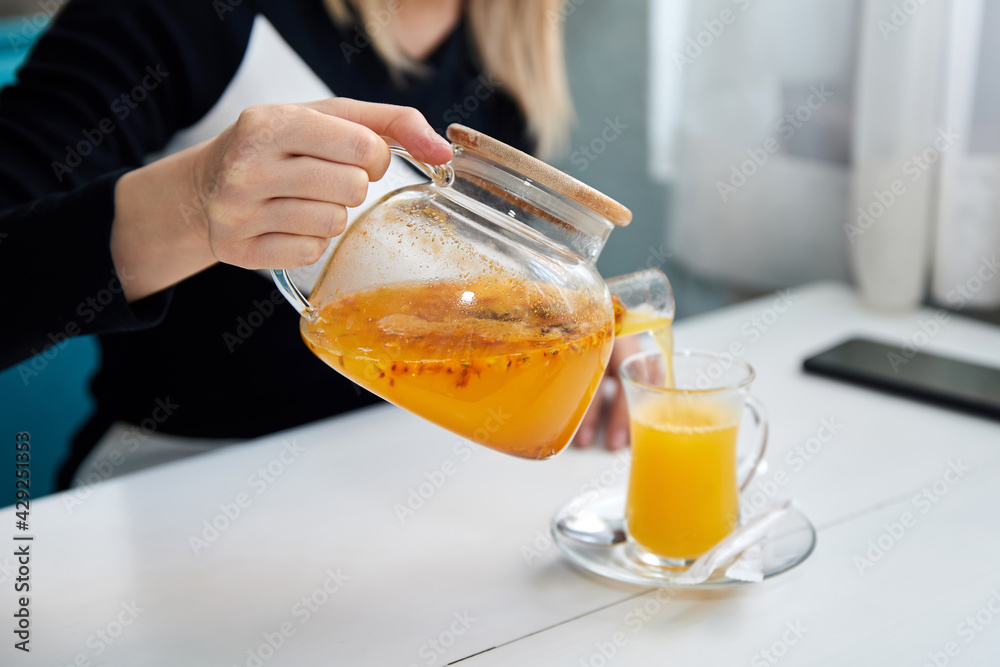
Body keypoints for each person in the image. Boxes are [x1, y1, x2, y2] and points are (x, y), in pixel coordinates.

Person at [0, 0, 633, 488]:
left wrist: (576, 332)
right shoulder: (183, 17)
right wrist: (193, 203)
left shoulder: (506, 51)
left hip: (403, 484)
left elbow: (458, 295)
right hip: (175, 493)